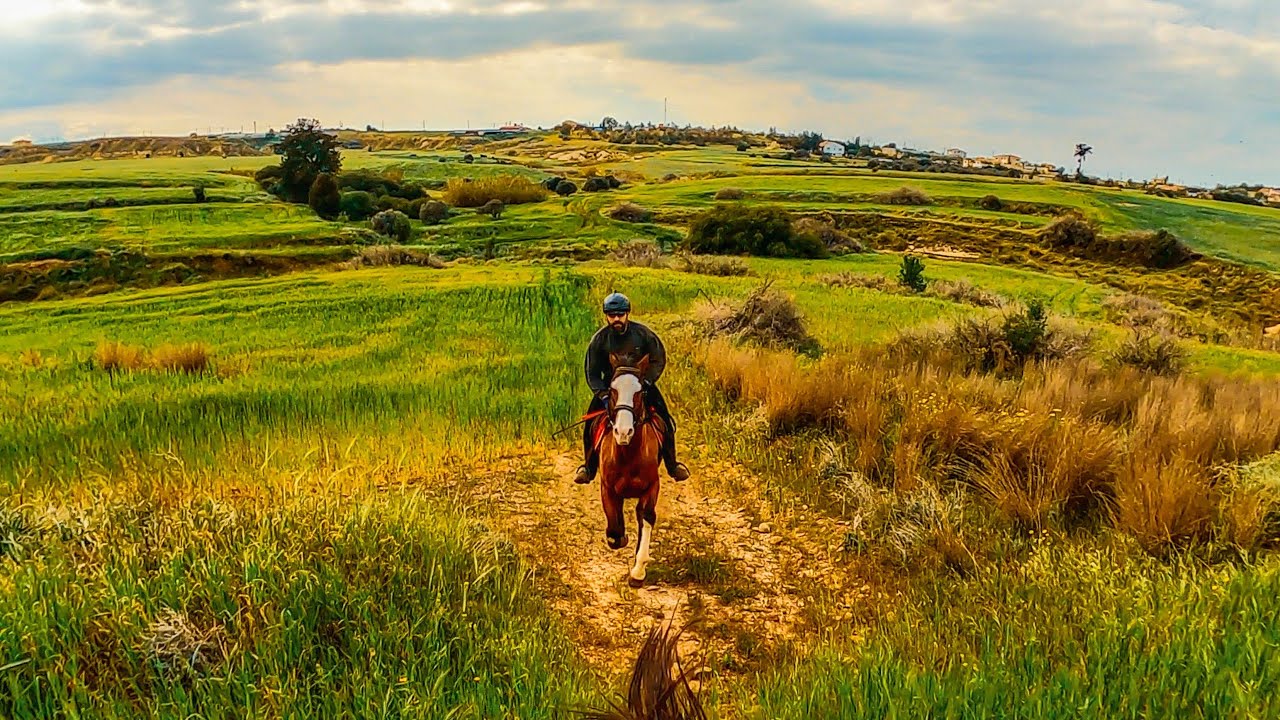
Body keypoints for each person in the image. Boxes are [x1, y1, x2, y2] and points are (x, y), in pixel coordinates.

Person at [574, 292, 690, 485]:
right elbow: (591, 372)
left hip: (640, 386)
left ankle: (672, 465)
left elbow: (658, 359)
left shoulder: (644, 335)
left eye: (620, 314)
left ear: (627, 313)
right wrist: (603, 395)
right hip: (611, 389)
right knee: (590, 424)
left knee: (665, 419)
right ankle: (588, 467)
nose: (616, 319)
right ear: (606, 316)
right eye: (612, 315)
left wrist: (647, 383)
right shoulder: (599, 340)